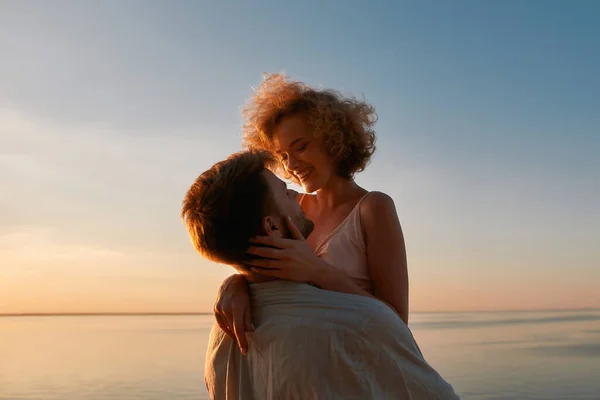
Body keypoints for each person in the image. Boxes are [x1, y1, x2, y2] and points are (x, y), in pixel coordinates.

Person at [181, 150, 459, 399]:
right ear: (273, 228)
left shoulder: (221, 334)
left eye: (301, 147)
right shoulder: (362, 324)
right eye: (285, 192)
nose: (296, 194)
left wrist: (239, 278)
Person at [214, 73, 409, 353]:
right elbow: (257, 268)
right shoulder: (292, 208)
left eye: (301, 147)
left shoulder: (373, 207)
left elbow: (397, 321)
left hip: (363, 367)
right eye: (281, 155)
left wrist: (316, 271)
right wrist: (233, 284)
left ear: (334, 140)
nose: (291, 164)